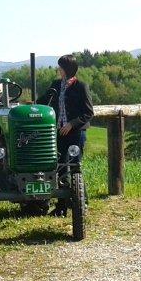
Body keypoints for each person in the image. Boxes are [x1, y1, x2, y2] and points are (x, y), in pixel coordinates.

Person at [38, 54, 94, 213]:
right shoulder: (56, 85)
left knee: (75, 166)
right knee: (60, 168)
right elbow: (43, 100)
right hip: (59, 132)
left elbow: (88, 112)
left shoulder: (81, 86)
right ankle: (61, 206)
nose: (58, 70)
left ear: (67, 69)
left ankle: (81, 203)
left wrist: (71, 124)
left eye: (60, 67)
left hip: (76, 133)